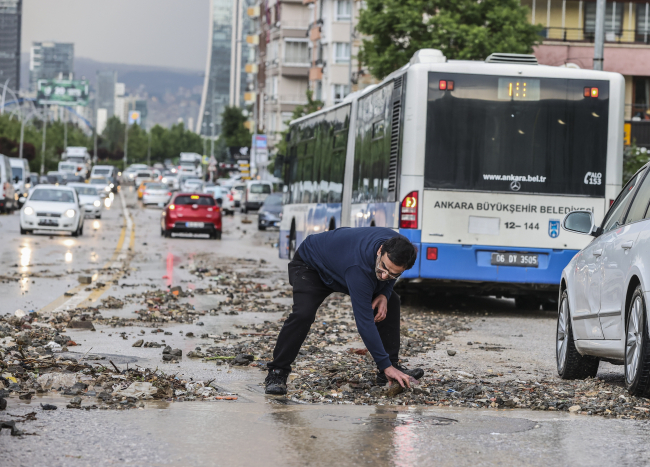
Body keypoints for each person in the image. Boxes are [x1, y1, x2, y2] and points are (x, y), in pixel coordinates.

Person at [265, 227, 423, 395]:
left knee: (391, 301)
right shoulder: (359, 269)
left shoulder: (400, 247)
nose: (384, 277)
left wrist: (385, 292)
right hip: (311, 265)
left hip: (342, 265)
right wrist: (384, 363)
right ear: (379, 250)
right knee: (303, 314)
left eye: (393, 275)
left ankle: (388, 371)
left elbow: (388, 274)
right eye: (383, 268)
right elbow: (364, 323)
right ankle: (277, 372)